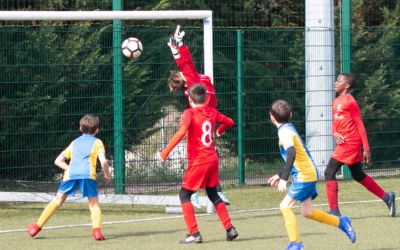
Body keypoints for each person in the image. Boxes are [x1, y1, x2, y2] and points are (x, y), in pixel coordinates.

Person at [267, 100, 356, 250]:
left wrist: (284, 178)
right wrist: (280, 174)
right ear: (291, 115)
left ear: (272, 117)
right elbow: (297, 157)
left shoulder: (284, 131)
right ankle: (342, 222)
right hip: (307, 172)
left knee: (285, 206)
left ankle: (296, 244)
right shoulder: (287, 128)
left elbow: (292, 153)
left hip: (304, 175)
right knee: (307, 211)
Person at [156, 83, 238, 243]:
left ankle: (194, 233)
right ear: (206, 98)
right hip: (212, 159)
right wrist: (220, 130)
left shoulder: (189, 113)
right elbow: (230, 122)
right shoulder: (212, 112)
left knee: (184, 194)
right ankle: (230, 229)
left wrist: (164, 153)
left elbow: (181, 131)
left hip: (199, 161)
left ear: (190, 100)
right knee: (213, 194)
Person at [167, 25, 230, 209]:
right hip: (206, 116)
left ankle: (210, 191)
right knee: (200, 156)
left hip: (208, 115)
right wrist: (176, 48)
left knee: (207, 156)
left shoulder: (195, 83)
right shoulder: (192, 82)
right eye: (180, 74)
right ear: (182, 78)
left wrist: (178, 48)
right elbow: (185, 64)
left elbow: (187, 64)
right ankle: (195, 194)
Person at [27, 114, 111, 241]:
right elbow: (104, 162)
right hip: (88, 175)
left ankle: (36, 227)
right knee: (94, 204)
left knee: (57, 201)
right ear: (97, 130)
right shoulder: (98, 142)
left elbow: (58, 161)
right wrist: (107, 174)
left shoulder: (75, 142)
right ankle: (97, 232)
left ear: (80, 128)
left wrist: (70, 169)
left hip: (70, 175)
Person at [324, 73, 396, 217]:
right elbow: (335, 122)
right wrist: (334, 133)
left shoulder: (350, 101)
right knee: (358, 174)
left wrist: (366, 149)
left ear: (347, 85)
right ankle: (387, 198)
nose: (336, 82)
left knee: (329, 172)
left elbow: (360, 125)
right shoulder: (336, 101)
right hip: (344, 142)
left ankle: (334, 211)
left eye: (339, 80)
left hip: (349, 143)